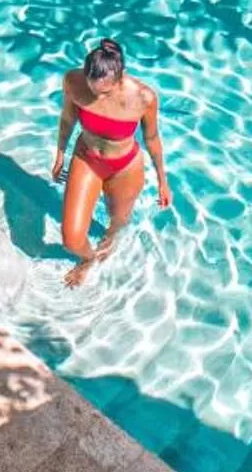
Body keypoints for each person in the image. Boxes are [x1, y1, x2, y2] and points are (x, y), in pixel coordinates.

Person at [50, 37, 170, 287]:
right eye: (92, 88)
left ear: (121, 76)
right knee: (71, 239)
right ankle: (87, 260)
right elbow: (67, 119)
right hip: (87, 158)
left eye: (105, 91)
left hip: (124, 167)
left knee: (117, 221)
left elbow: (152, 139)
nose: (98, 97)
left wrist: (162, 181)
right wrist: (60, 153)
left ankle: (109, 242)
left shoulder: (143, 97)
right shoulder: (73, 82)